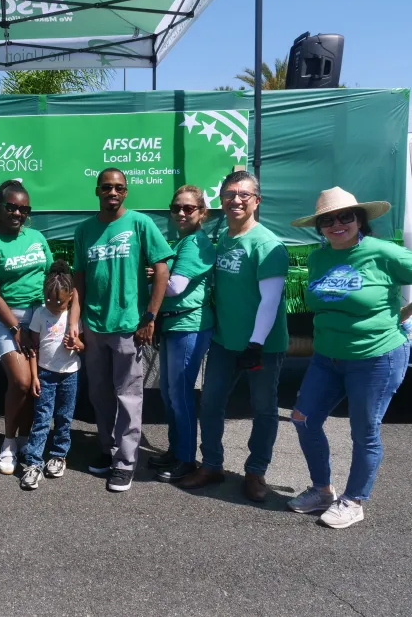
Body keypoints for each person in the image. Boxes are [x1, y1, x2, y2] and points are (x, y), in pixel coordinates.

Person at [285, 187, 410, 528]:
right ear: (319, 227)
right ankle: (322, 490)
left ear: (360, 219)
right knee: (303, 419)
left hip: (376, 357)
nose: (337, 224)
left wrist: (405, 316)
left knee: (364, 432)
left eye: (345, 216)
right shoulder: (318, 258)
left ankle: (354, 500)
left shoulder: (382, 252)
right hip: (327, 357)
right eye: (328, 220)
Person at [180, 171, 289, 502]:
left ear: (257, 200)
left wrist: (255, 344)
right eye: (229, 194)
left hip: (262, 346)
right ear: (221, 200)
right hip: (225, 341)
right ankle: (212, 465)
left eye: (244, 194)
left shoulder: (267, 245)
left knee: (263, 409)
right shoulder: (224, 237)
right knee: (211, 403)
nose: (236, 200)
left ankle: (256, 472)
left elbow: (270, 301)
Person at [70, 168, 172, 493]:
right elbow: (79, 280)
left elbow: (161, 270)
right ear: (97, 191)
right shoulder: (84, 230)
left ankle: (125, 463)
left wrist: (150, 317)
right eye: (106, 187)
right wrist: (76, 322)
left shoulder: (140, 223)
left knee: (128, 396)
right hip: (94, 325)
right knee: (99, 394)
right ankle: (108, 449)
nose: (112, 192)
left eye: (118, 188)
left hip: (129, 326)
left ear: (125, 192)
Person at [0, 180, 53, 475]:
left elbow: (51, 275)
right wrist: (16, 328)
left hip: (42, 317)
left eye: (24, 209)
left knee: (37, 384)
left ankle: (26, 439)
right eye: (11, 207)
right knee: (20, 381)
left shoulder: (36, 237)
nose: (18, 213)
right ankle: (8, 442)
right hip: (9, 319)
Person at [152, 186, 216, 483]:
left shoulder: (195, 244)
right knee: (169, 394)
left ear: (201, 212)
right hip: (173, 325)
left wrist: (154, 275)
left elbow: (174, 287)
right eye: (176, 207)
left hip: (188, 326)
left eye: (188, 208)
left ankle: (186, 458)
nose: (180, 212)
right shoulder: (182, 242)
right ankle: (176, 450)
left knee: (180, 395)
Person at [19, 260, 84, 490]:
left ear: (70, 297)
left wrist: (77, 344)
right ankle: (33, 463)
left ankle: (58, 455)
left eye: (60, 301)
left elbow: (83, 346)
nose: (54, 305)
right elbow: (34, 348)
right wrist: (35, 376)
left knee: (64, 417)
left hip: (70, 374)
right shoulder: (40, 313)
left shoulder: (74, 317)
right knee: (42, 418)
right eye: (49, 299)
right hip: (45, 374)